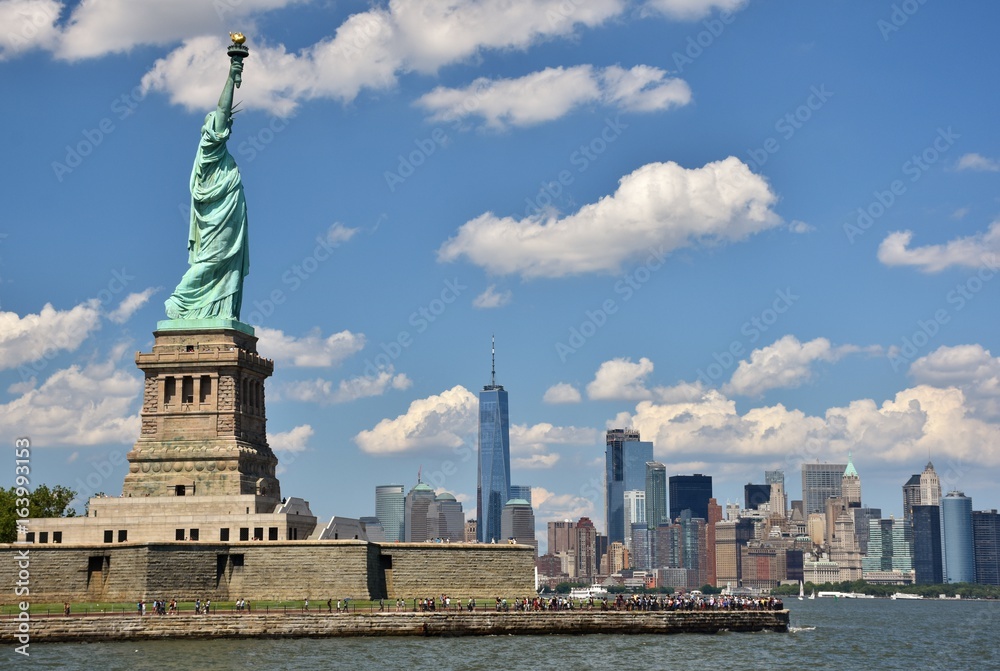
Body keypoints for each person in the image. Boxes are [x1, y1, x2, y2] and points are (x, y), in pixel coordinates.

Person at [164, 54, 249, 321]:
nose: (227, 127)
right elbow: (223, 111)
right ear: (210, 130)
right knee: (213, 258)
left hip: (230, 213)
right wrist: (232, 73)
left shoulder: (221, 157)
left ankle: (219, 310)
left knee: (226, 262)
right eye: (222, 125)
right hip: (217, 215)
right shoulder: (210, 150)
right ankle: (179, 300)